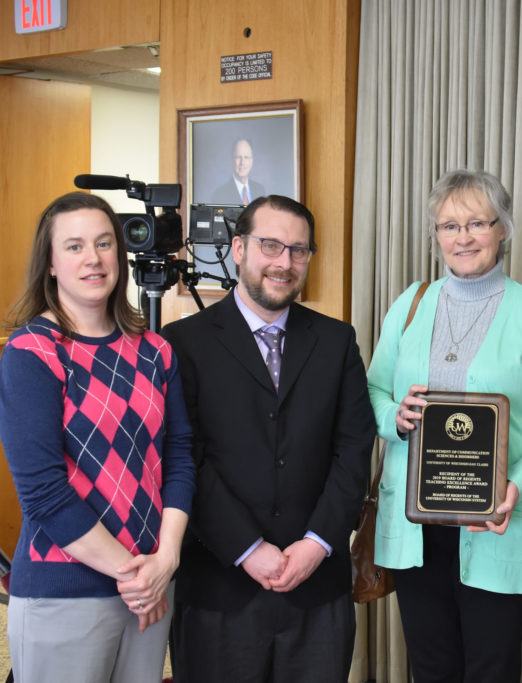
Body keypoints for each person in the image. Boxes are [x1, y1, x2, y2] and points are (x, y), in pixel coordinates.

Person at [367, 169, 522, 683]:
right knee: (430, 668)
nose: (461, 237)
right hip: (414, 533)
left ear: (502, 229)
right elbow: (373, 392)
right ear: (436, 235)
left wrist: (516, 486)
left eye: (476, 223)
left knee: (492, 669)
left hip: (496, 524)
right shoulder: (409, 304)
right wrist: (394, 418)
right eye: (447, 226)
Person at [162, 195, 376, 682]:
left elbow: (354, 448)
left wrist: (318, 542)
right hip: (219, 585)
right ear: (238, 248)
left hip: (317, 587)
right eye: (271, 245)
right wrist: (246, 547)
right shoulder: (183, 343)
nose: (284, 262)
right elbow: (183, 458)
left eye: (299, 250)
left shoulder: (337, 340)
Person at [0, 191, 195, 682]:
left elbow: (180, 457)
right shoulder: (33, 352)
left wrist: (165, 561)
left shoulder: (154, 351)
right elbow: (44, 492)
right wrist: (134, 575)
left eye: (104, 244)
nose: (93, 258)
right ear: (51, 266)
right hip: (66, 588)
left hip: (149, 587)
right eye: (75, 246)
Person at [212, 137, 266, 205]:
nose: (242, 162)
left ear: (251, 161)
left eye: (246, 157)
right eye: (238, 157)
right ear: (232, 160)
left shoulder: (260, 190)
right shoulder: (219, 194)